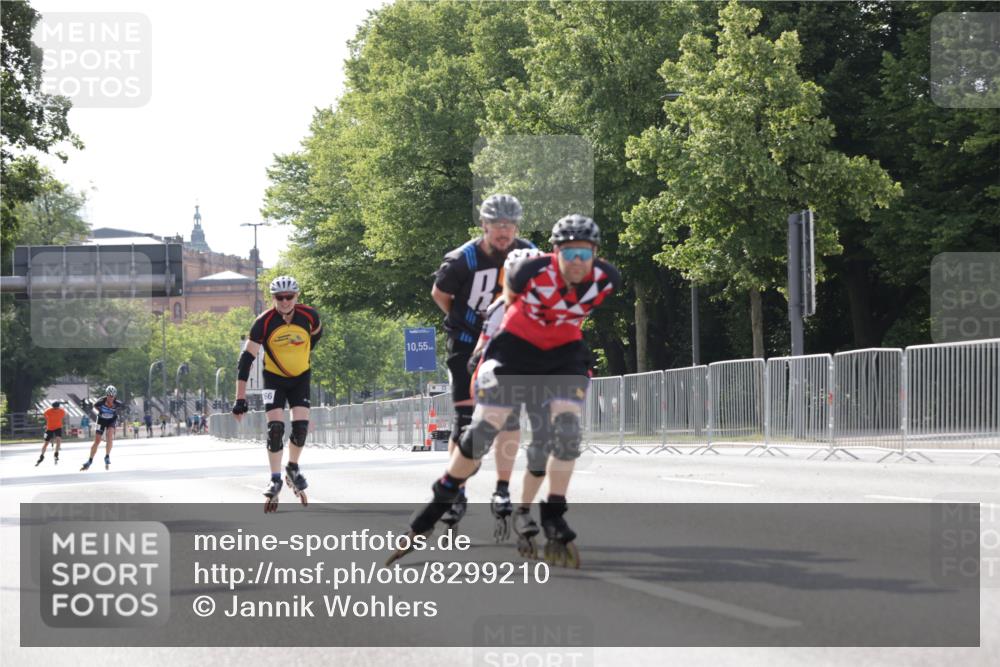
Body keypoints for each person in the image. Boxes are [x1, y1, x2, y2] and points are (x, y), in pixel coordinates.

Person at [389, 215, 619, 568]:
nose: (577, 261)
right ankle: (440, 501)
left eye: (584, 253)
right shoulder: (528, 272)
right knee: (484, 429)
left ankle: (554, 513)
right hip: (514, 348)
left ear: (596, 254)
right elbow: (507, 305)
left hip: (562, 353)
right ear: (555, 253)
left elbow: (576, 315)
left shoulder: (605, 279)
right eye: (569, 252)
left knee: (568, 430)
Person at [431, 193, 535, 530]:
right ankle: (456, 490)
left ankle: (502, 490)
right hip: (465, 344)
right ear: (484, 225)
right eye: (496, 225)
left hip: (508, 344)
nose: (504, 231)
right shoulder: (463, 259)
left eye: (510, 224)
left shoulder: (528, 254)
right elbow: (440, 294)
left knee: (508, 417)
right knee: (465, 421)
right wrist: (467, 322)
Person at [467, 247, 546, 541]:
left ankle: (508, 494)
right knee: (482, 439)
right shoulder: (500, 306)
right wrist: (476, 358)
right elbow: (484, 342)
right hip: (498, 377)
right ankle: (472, 483)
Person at [232, 275, 322, 512]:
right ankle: (275, 477)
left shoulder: (310, 317)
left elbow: (315, 338)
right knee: (276, 429)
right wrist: (240, 398)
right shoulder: (263, 322)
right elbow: (246, 360)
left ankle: (292, 467)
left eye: (288, 297)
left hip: (301, 377)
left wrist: (300, 355)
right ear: (272, 298)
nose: (284, 301)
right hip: (274, 379)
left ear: (297, 296)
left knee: (301, 428)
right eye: (279, 297)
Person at [81, 386, 124, 471]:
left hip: (111, 420)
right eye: (109, 396)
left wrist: (117, 413)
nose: (110, 398)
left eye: (112, 396)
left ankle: (107, 456)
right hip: (101, 420)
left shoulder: (118, 403)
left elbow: (123, 408)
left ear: (115, 396)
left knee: (110, 436)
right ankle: (90, 460)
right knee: (97, 441)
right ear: (106, 395)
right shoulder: (100, 402)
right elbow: (95, 406)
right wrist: (101, 411)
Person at [36, 401, 66, 466]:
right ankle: (42, 456)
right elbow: (44, 414)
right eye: (54, 408)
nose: (55, 409)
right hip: (49, 428)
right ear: (53, 407)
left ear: (58, 407)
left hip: (58, 427)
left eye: (56, 408)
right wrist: (47, 419)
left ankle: (56, 453)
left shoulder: (62, 411)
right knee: (46, 443)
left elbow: (64, 416)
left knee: (58, 440)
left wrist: (60, 421)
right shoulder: (49, 410)